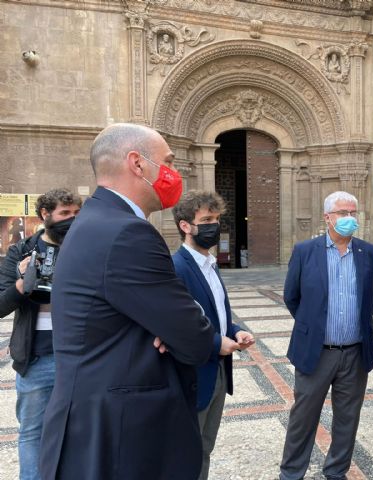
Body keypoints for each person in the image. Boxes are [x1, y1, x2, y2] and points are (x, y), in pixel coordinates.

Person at [39, 123, 215, 480]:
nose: (174, 173)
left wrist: (168, 325)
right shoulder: (127, 232)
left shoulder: (93, 220)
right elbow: (195, 337)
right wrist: (177, 325)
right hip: (121, 432)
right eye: (168, 161)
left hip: (91, 416)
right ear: (137, 163)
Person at [279, 191, 373, 480]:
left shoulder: (369, 253)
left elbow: (372, 300)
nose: (349, 218)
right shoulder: (305, 251)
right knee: (303, 417)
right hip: (317, 351)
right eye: (342, 213)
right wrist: (312, 327)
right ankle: (291, 473)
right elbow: (292, 297)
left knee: (347, 419)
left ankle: (336, 472)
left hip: (355, 353)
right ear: (327, 217)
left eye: (353, 212)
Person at [172, 190, 255, 480]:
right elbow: (178, 326)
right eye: (206, 219)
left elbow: (215, 315)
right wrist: (216, 342)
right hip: (193, 375)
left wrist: (235, 331)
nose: (214, 226)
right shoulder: (177, 267)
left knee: (204, 447)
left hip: (218, 370)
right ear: (185, 225)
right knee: (186, 451)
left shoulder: (211, 265)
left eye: (217, 219)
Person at [0, 188, 81, 480]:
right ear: (45, 215)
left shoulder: (84, 247)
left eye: (75, 214)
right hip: (36, 358)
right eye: (64, 214)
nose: (71, 220)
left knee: (78, 431)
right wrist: (22, 283)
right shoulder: (20, 250)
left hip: (79, 356)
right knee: (33, 433)